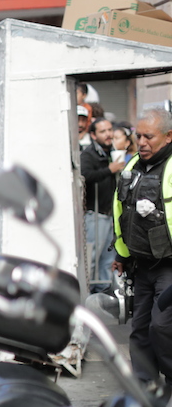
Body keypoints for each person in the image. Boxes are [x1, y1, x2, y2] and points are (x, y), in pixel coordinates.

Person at [113, 108, 172, 385]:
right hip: (142, 263)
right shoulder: (133, 164)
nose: (142, 142)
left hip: (169, 265)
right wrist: (121, 255)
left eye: (149, 136)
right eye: (139, 136)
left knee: (162, 326)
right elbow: (119, 211)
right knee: (140, 330)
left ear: (169, 136)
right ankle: (145, 389)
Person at [80, 118, 123, 293]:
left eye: (110, 130)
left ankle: (104, 294)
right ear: (93, 135)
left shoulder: (110, 151)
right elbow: (85, 176)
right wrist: (109, 170)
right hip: (95, 214)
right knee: (92, 257)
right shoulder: (89, 154)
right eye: (103, 131)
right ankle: (87, 294)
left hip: (109, 215)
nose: (108, 134)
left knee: (107, 258)